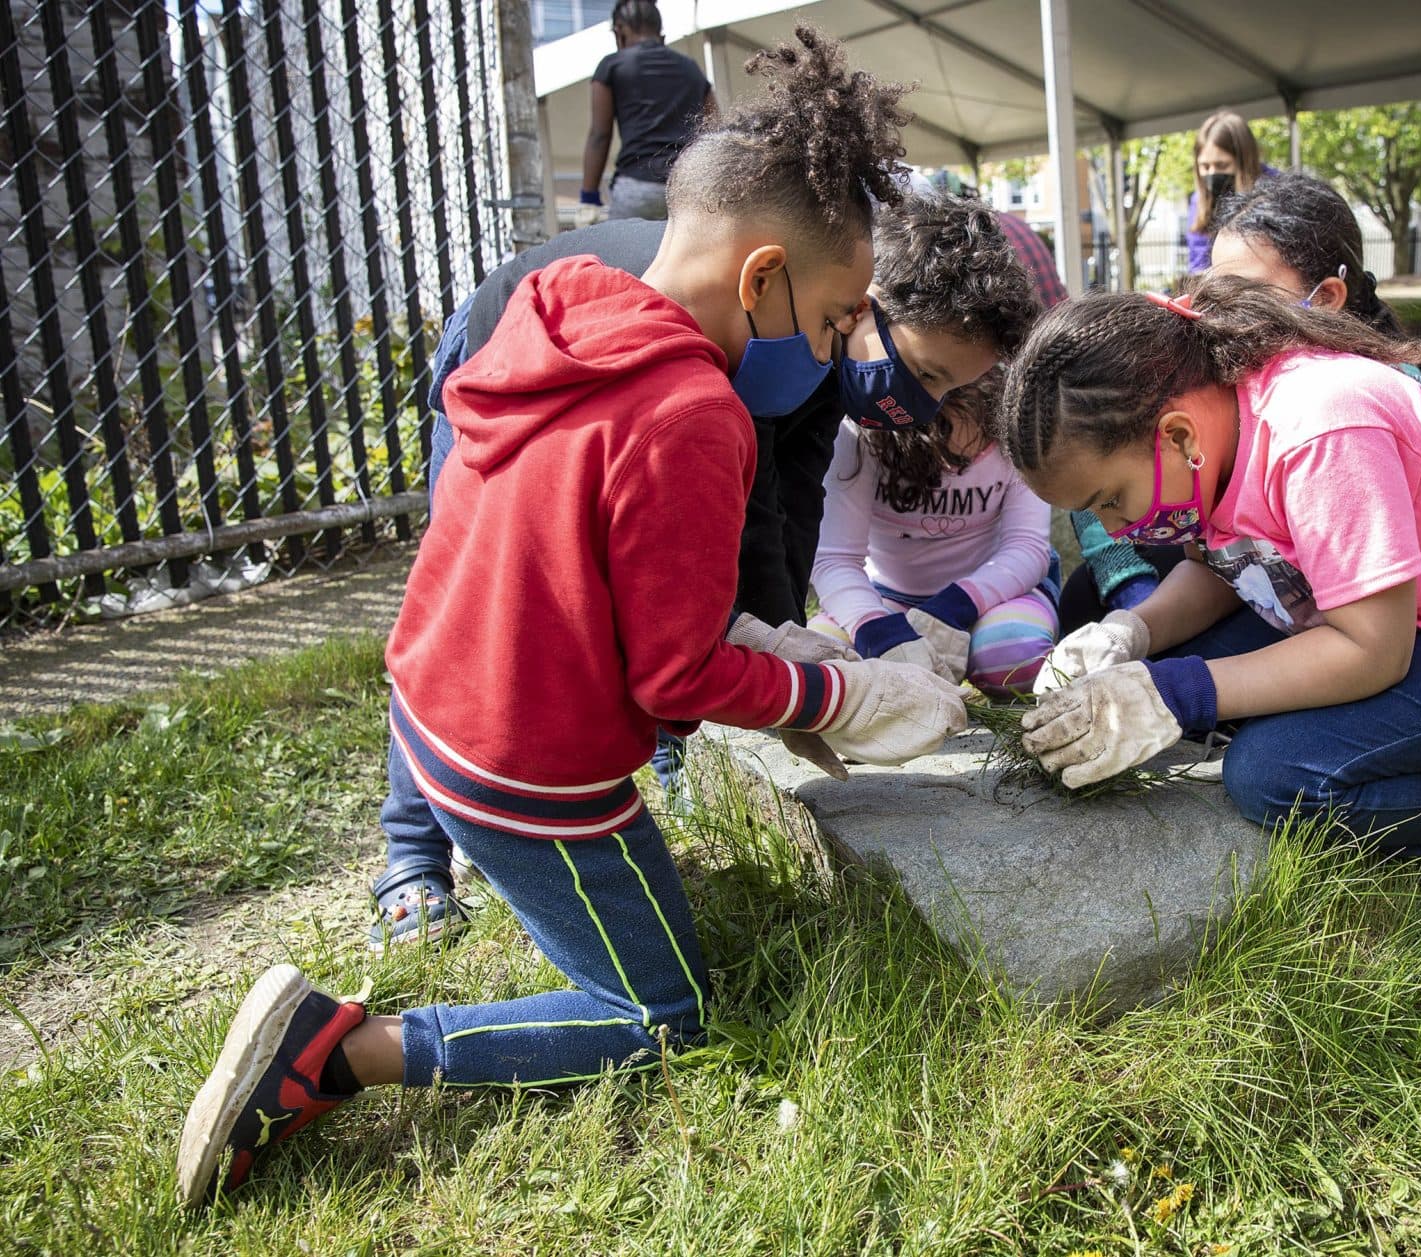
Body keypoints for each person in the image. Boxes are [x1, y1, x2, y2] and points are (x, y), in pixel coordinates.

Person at [176, 27, 968, 1205]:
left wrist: (771, 639)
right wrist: (841, 691)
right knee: (659, 1014)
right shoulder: (694, 412)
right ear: (761, 278)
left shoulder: (566, 300)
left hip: (435, 713)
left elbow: (594, 565)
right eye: (836, 315)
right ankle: (337, 1052)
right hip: (529, 776)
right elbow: (675, 679)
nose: (836, 347)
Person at [359, 191, 1032, 951]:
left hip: (648, 414)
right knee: (473, 612)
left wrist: (784, 654)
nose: (924, 406)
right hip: (507, 355)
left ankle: (662, 753)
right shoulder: (747, 319)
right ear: (857, 300)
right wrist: (793, 686)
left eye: (947, 391)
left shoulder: (803, 346)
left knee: (661, 607)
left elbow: (779, 501)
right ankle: (414, 851)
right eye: (926, 371)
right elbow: (717, 513)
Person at [993, 273, 1421, 992]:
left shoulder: (1320, 429)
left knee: (1276, 774)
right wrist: (1130, 631)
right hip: (1399, 622)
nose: (1109, 529)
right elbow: (1226, 570)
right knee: (1187, 680)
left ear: (1175, 434)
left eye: (1109, 499)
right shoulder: (1212, 431)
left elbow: (1373, 650)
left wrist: (1183, 691)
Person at [1057, 171, 1421, 636]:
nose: (1218, 316)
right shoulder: (1240, 379)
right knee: (1086, 596)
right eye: (1213, 292)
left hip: (1362, 607)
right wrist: (1131, 602)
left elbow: (1371, 633)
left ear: (1325, 298)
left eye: (1245, 297)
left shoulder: (1350, 407)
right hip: (1276, 579)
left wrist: (1191, 679)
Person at [811, 370, 1058, 699]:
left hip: (994, 594)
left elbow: (1027, 547)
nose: (955, 469)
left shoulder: (1014, 429)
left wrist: (954, 607)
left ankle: (975, 659)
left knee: (1015, 657)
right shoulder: (859, 434)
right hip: (887, 596)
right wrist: (874, 629)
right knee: (818, 661)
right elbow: (835, 559)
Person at [578, 0, 714, 223]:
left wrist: (589, 196)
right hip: (686, 189)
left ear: (620, 31)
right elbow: (712, 130)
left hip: (637, 187)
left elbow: (600, 135)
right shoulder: (691, 68)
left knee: (622, 257)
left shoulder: (612, 66)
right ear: (660, 35)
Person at [1184, 111, 1268, 273]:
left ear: (1244, 161)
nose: (1212, 173)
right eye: (1205, 166)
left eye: (1222, 165)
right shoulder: (1199, 200)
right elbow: (1198, 262)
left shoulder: (1276, 191)